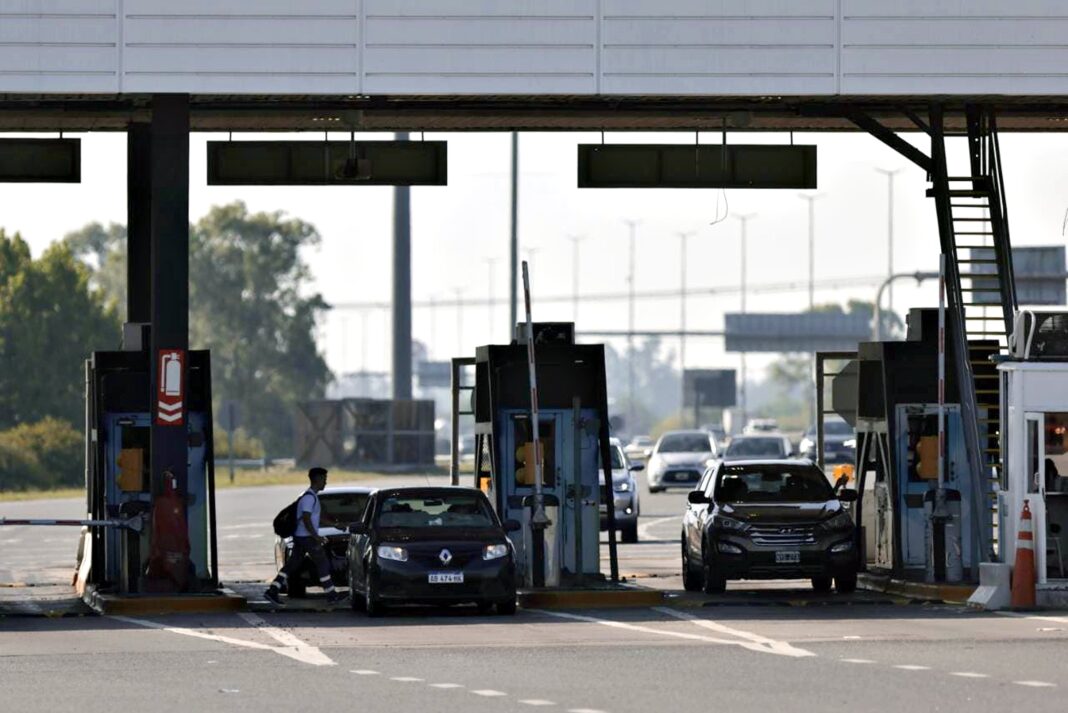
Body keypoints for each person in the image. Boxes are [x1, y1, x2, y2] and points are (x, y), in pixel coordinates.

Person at [264, 467, 346, 606]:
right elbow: (307, 519)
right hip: (306, 537)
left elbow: (315, 518)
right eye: (324, 479)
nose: (325, 482)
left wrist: (335, 525)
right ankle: (331, 595)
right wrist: (316, 536)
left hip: (301, 537)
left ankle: (273, 590)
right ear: (318, 479)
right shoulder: (309, 498)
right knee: (322, 563)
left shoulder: (312, 497)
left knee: (292, 565)